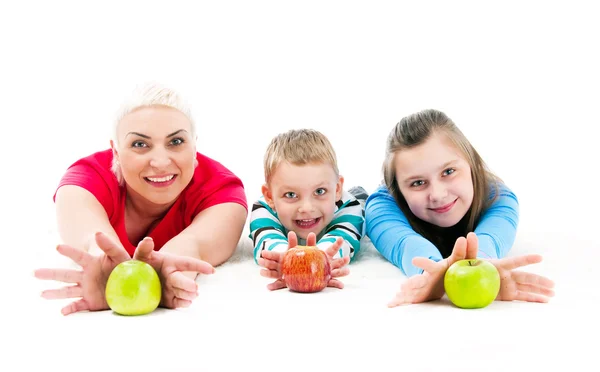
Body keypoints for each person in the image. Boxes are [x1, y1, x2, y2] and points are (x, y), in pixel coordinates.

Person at [34, 82, 248, 315]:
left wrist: (167, 275)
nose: (160, 162)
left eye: (176, 142)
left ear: (194, 146)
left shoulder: (223, 192)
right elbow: (93, 239)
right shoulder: (85, 181)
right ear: (116, 151)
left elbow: (192, 245)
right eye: (140, 144)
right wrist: (108, 270)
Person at [365, 109, 555, 307]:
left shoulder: (500, 198)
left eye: (448, 171)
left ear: (471, 163)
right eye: (418, 183)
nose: (438, 194)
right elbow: (405, 244)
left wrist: (482, 266)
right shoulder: (381, 207)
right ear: (397, 190)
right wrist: (432, 272)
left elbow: (490, 239)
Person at [249, 129, 368, 290]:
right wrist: (284, 260)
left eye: (319, 191)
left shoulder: (350, 207)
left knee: (363, 204)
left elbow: (342, 241)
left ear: (337, 189)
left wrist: (320, 262)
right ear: (270, 196)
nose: (307, 208)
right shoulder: (263, 208)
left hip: (348, 203)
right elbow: (266, 242)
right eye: (291, 194)